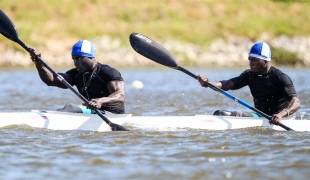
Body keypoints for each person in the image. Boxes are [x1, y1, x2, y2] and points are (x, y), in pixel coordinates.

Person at [197, 42, 300, 125]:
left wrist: (281, 115)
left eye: (255, 60)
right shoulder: (249, 75)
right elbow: (227, 84)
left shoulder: (280, 77)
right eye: (250, 59)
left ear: (266, 60)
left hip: (278, 119)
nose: (251, 63)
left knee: (222, 113)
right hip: (259, 115)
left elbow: (296, 102)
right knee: (219, 113)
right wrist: (208, 83)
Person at [29, 40, 125, 114]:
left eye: (79, 58)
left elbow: (120, 96)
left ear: (90, 57)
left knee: (70, 108)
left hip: (112, 114)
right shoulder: (76, 74)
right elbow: (51, 80)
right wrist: (39, 64)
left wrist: (100, 101)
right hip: (93, 112)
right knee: (64, 110)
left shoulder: (108, 72)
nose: (75, 63)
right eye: (74, 59)